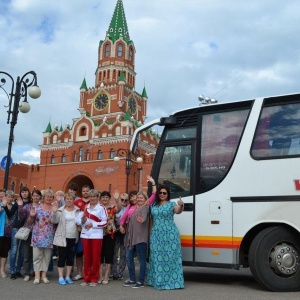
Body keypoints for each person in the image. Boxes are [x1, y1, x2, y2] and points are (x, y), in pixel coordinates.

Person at [119, 175, 156, 288]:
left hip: (140, 237)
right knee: (129, 258)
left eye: (141, 198)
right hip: (130, 237)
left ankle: (140, 281)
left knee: (141, 259)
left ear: (145, 199)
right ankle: (132, 278)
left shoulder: (145, 207)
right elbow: (124, 218)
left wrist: (153, 183)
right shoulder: (131, 207)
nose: (138, 199)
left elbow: (144, 217)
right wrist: (121, 225)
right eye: (137, 198)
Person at [147, 184, 185, 290]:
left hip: (170, 234)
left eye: (165, 193)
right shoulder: (153, 205)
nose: (162, 194)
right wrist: (149, 234)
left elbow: (178, 211)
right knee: (156, 257)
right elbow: (151, 220)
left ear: (167, 194)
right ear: (158, 194)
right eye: (160, 193)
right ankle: (157, 280)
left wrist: (181, 205)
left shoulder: (171, 204)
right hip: (156, 234)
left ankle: (172, 282)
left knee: (170, 257)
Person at [75, 189, 107, 287]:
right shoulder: (85, 207)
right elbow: (77, 221)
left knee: (95, 258)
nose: (92, 198)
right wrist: (82, 220)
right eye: (91, 196)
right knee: (87, 258)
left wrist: (93, 224)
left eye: (94, 196)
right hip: (85, 235)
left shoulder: (102, 208)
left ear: (98, 198)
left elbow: (105, 222)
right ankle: (86, 279)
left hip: (96, 236)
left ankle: (94, 279)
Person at [51, 192, 80, 285]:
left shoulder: (77, 210)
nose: (69, 200)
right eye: (67, 199)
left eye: (71, 199)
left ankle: (67, 276)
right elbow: (54, 221)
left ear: (73, 200)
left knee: (71, 258)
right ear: (64, 200)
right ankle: (60, 277)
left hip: (73, 237)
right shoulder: (60, 210)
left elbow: (79, 223)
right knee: (62, 257)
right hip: (63, 237)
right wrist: (54, 212)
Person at [29, 189, 56, 284]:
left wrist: (55, 213)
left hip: (49, 236)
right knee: (37, 257)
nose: (49, 198)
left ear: (52, 198)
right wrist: (31, 216)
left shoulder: (55, 208)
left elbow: (57, 222)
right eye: (47, 196)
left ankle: (44, 275)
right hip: (37, 236)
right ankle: (37, 276)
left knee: (47, 257)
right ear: (43, 197)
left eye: (50, 197)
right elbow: (30, 222)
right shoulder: (37, 207)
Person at [18, 189, 42, 282]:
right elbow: (21, 216)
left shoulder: (41, 207)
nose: (35, 197)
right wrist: (20, 206)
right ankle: (26, 273)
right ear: (32, 197)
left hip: (39, 233)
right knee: (27, 254)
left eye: (37, 196)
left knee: (37, 255)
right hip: (28, 232)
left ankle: (35, 273)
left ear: (40, 197)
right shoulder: (28, 206)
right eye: (34, 196)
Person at [7, 186, 32, 279]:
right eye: (23, 192)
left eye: (26, 192)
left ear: (28, 193)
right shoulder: (17, 203)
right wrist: (5, 206)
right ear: (20, 193)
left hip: (25, 229)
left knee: (22, 251)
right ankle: (12, 271)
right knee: (14, 250)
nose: (24, 193)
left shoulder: (30, 203)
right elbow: (10, 215)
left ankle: (18, 270)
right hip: (16, 228)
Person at [99, 190, 121, 284]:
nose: (105, 199)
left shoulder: (112, 208)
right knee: (100, 255)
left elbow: (119, 209)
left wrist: (117, 200)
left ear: (109, 198)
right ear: (100, 198)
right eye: (103, 197)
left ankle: (106, 275)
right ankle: (100, 275)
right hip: (98, 233)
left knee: (109, 254)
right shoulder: (98, 208)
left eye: (107, 197)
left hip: (110, 233)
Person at [73, 184, 91, 281]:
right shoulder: (77, 202)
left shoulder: (93, 202)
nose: (85, 192)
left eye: (87, 190)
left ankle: (88, 272)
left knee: (89, 252)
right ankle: (79, 273)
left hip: (90, 231)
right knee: (79, 252)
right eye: (83, 191)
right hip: (79, 230)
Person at [111, 192, 128, 280]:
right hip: (116, 232)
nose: (124, 201)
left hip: (125, 232)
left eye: (126, 200)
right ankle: (114, 272)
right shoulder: (115, 207)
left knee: (123, 253)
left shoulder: (128, 209)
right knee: (114, 252)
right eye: (122, 199)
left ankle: (120, 272)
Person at [0, 190, 16, 278]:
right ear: (5, 197)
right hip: (0, 231)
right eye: (8, 196)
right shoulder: (1, 205)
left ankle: (2, 269)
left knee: (4, 252)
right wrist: (3, 205)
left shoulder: (14, 207)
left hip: (10, 233)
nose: (10, 198)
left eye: (11, 197)